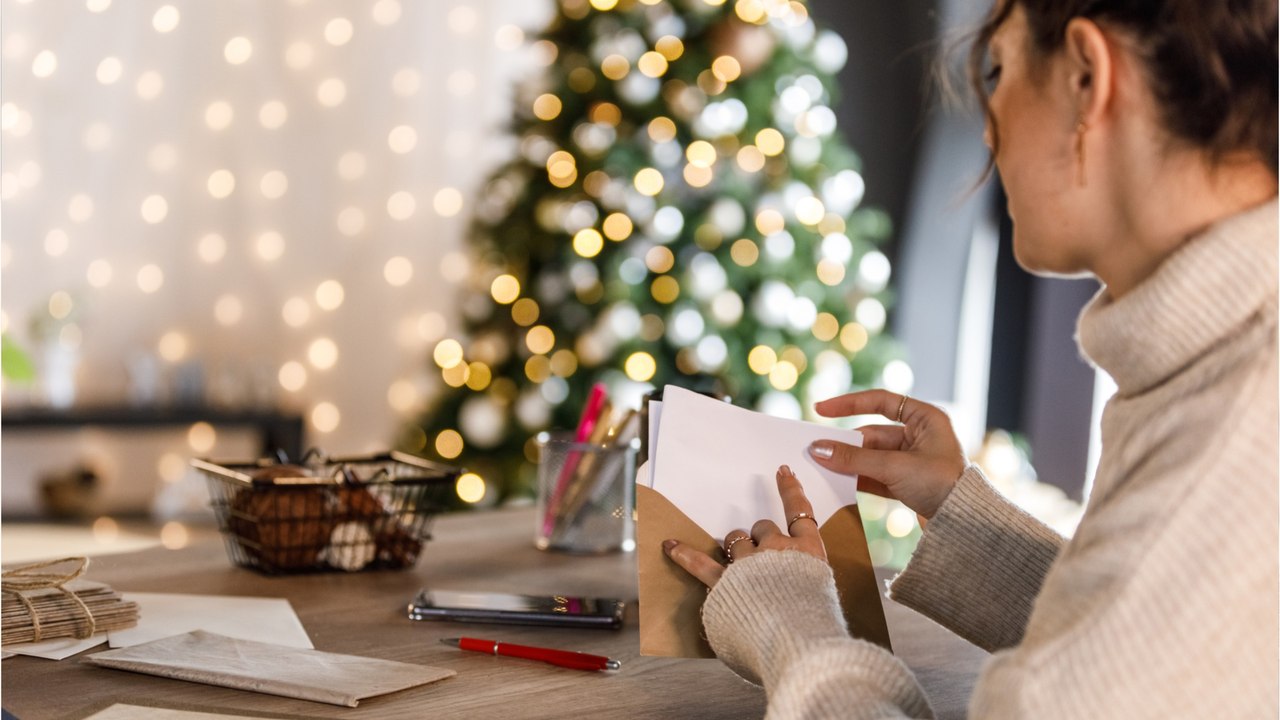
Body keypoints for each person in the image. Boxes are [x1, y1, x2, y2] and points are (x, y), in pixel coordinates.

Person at [662, 0, 1278, 716]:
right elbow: (1163, 644)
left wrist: (786, 623)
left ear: (1086, 76)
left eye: (1000, 69)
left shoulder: (1225, 444)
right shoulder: (1224, 371)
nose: (987, 124)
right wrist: (968, 526)